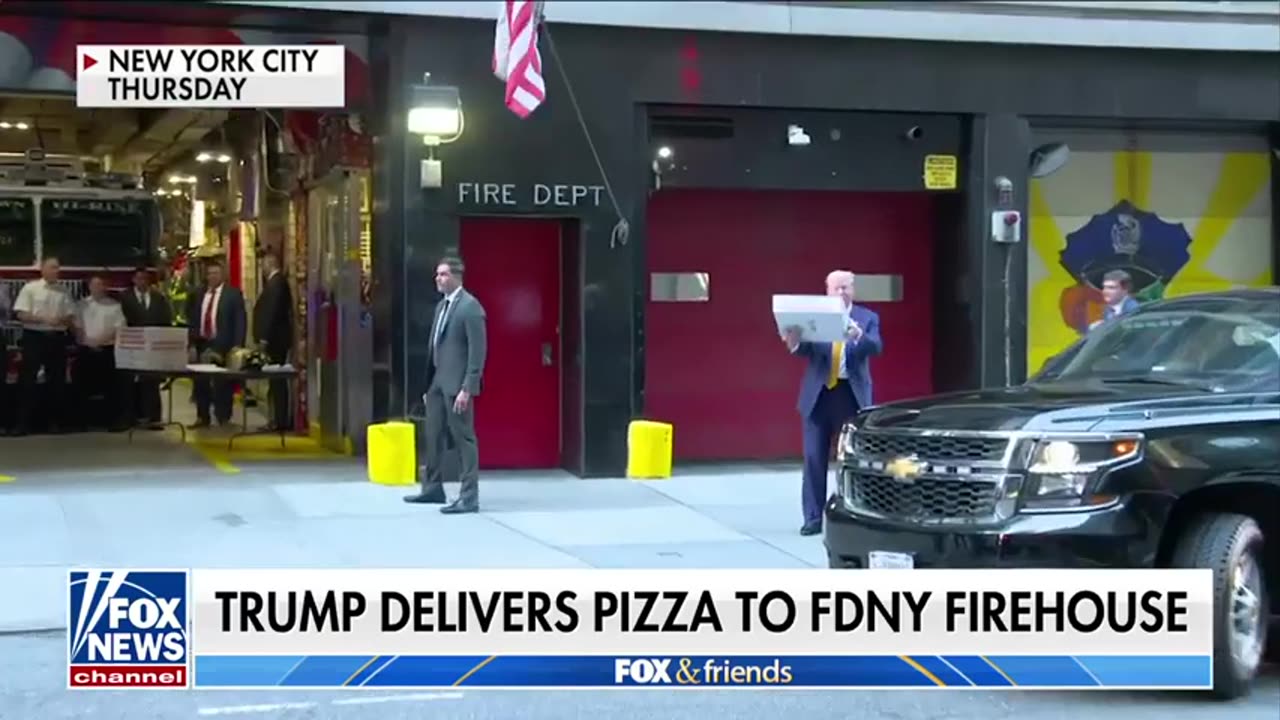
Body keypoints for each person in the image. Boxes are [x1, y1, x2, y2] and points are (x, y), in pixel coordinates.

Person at [782, 270, 882, 536]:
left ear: (853, 289)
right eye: (835, 288)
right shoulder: (817, 315)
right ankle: (813, 518)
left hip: (851, 396)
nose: (840, 292)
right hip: (819, 397)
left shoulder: (867, 317)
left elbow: (875, 346)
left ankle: (854, 516)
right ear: (827, 290)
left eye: (845, 287)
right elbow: (806, 351)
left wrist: (858, 335)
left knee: (851, 460)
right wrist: (794, 343)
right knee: (814, 459)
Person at [405, 256, 488, 514]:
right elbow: (434, 348)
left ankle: (468, 497)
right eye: (437, 274)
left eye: (442, 274)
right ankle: (432, 488)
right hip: (438, 384)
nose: (438, 279)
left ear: (456, 276)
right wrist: (429, 384)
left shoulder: (471, 308)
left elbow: (478, 352)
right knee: (433, 436)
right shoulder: (441, 307)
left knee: (464, 440)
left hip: (457, 386)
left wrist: (468, 387)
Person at [11, 257, 76, 435]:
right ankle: (22, 424)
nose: (56, 271)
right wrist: (44, 319)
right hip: (34, 338)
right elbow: (21, 314)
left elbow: (71, 315)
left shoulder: (64, 291)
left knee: (57, 381)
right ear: (43, 269)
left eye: (58, 268)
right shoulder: (30, 288)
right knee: (27, 380)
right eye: (52, 267)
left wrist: (62, 321)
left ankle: (54, 423)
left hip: (57, 338)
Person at [187, 261, 246, 428]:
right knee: (200, 382)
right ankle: (202, 416)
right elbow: (193, 319)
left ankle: (223, 416)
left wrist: (237, 345)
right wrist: (191, 343)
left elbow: (240, 321)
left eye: (216, 273)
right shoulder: (199, 294)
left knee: (222, 383)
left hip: (223, 344)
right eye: (210, 273)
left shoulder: (233, 295)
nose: (212, 276)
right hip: (202, 343)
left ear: (223, 275)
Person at [74, 275, 128, 432]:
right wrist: (85, 341)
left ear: (105, 287)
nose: (98, 288)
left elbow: (119, 327)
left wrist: (101, 341)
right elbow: (76, 326)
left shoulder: (115, 306)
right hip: (85, 350)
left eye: (101, 284)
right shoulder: (81, 305)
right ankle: (80, 422)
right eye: (94, 285)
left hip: (107, 350)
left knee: (111, 387)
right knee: (81, 387)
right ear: (89, 287)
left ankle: (112, 421)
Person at [120, 266, 172, 428]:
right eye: (139, 278)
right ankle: (130, 417)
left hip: (153, 347)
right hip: (133, 346)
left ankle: (154, 417)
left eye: (145, 278)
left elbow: (166, 321)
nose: (142, 281)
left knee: (152, 382)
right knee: (130, 382)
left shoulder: (159, 298)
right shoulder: (125, 298)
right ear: (134, 280)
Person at [252, 253, 294, 431]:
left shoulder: (276, 284)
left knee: (277, 381)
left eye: (263, 265)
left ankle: (280, 420)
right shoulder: (276, 283)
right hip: (275, 340)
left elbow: (271, 312)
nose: (262, 269)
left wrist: (264, 338)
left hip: (276, 342)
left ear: (270, 264)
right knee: (274, 382)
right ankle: (276, 418)